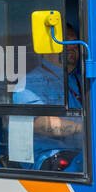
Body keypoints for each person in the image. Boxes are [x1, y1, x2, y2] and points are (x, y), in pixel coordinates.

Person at [13, 24, 85, 170]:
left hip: (81, 151)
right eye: (65, 42)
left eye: (75, 43)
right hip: (47, 156)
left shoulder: (81, 80)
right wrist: (81, 128)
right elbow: (39, 124)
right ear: (48, 48)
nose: (72, 47)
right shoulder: (31, 82)